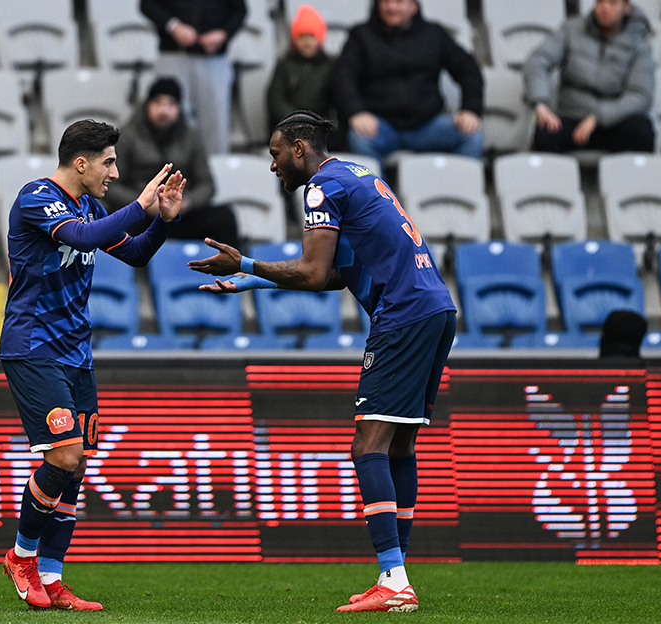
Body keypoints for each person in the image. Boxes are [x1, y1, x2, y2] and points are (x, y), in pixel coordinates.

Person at [189, 110, 455, 613]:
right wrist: (256, 280)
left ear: (297, 150)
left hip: (401, 317)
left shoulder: (319, 190)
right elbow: (340, 272)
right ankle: (394, 574)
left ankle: (394, 582)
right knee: (399, 446)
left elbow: (312, 273)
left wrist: (244, 262)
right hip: (437, 310)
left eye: (274, 154)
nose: (272, 167)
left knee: (367, 445)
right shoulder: (358, 176)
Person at [0, 120, 185, 610]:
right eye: (108, 162)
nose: (114, 170)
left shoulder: (91, 206)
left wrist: (161, 220)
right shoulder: (37, 197)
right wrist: (139, 205)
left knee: (76, 467)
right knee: (62, 456)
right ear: (80, 163)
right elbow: (81, 239)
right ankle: (21, 557)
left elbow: (137, 254)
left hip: (77, 353)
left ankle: (54, 579)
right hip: (33, 346)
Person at [334, 0, 483, 175]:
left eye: (399, 2)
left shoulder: (434, 34)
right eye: (386, 1)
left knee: (472, 135)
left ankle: (458, 191)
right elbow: (343, 76)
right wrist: (356, 112)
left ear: (414, 6)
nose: (391, 7)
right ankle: (379, 200)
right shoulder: (360, 36)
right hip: (380, 127)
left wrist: (471, 109)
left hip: (428, 125)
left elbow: (469, 70)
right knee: (359, 139)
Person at [107, 76, 239, 248]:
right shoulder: (127, 136)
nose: (164, 110)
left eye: (170, 105)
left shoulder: (191, 137)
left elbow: (207, 184)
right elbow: (111, 185)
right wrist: (143, 204)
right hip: (140, 214)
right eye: (158, 103)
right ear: (147, 105)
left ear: (179, 108)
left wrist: (187, 202)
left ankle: (231, 271)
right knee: (111, 222)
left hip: (181, 214)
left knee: (224, 218)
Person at [524, 0, 656, 154]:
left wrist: (599, 117)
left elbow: (641, 95)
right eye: (600, 1)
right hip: (572, 116)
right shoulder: (571, 29)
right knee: (544, 132)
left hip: (614, 122)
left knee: (642, 130)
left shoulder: (639, 43)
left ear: (626, 7)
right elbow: (537, 61)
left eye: (613, 3)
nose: (605, 7)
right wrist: (540, 103)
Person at [140, 0, 247, 155]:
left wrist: (224, 33)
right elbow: (148, 4)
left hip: (214, 58)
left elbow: (239, 10)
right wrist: (173, 25)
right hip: (174, 54)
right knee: (171, 118)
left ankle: (213, 173)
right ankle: (171, 169)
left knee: (216, 123)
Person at [267, 4, 334, 132]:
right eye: (302, 36)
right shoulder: (285, 64)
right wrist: (296, 121)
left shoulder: (330, 65)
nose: (307, 42)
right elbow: (275, 98)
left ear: (320, 39)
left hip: (320, 125)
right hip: (290, 125)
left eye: (312, 36)